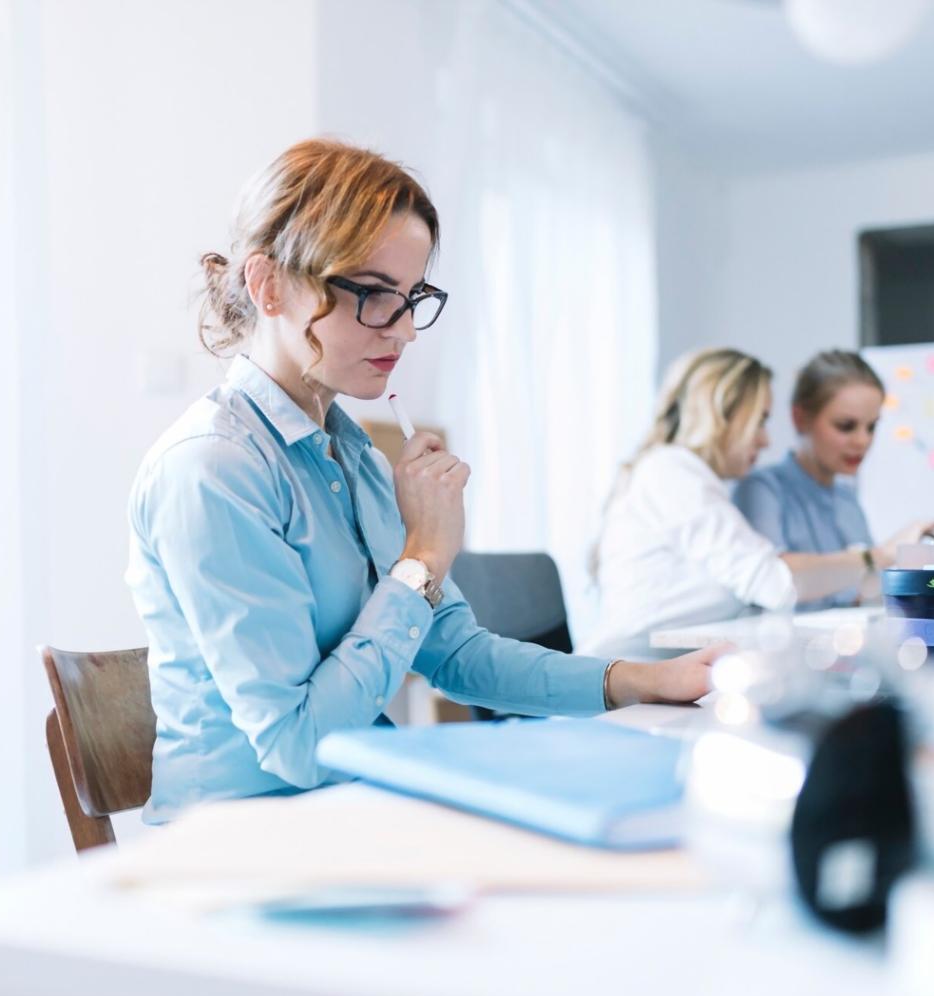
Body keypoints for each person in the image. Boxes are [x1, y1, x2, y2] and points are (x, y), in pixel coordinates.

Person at [125, 139, 722, 823]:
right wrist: (420, 561)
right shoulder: (212, 468)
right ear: (267, 286)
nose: (404, 331)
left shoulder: (349, 455)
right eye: (375, 296)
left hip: (350, 811)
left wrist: (645, 680)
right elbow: (299, 746)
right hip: (240, 843)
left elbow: (457, 654)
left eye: (413, 299)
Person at [588, 348, 895, 659]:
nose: (765, 440)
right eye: (759, 421)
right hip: (624, 680)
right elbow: (775, 584)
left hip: (670, 672)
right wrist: (878, 558)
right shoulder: (670, 471)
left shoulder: (695, 480)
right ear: (721, 417)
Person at [734, 350, 934, 611]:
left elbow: (862, 591)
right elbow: (770, 584)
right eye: (846, 426)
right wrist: (881, 555)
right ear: (800, 419)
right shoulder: (760, 491)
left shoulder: (847, 499)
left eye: (871, 427)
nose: (862, 441)